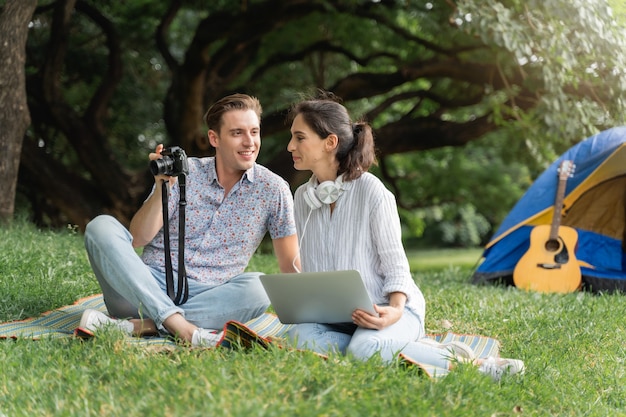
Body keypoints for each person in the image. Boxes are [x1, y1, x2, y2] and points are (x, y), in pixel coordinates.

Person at [284, 91, 524, 380]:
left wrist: (395, 311)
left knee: (363, 351)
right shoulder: (303, 198)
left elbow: (396, 266)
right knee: (297, 337)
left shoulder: (371, 192)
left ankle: (477, 366)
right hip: (338, 319)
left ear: (329, 142)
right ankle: (399, 348)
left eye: (299, 137)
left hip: (392, 310)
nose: (290, 146)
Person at [80, 93, 299, 347]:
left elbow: (290, 265)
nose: (249, 142)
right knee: (100, 227)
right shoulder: (185, 172)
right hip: (142, 289)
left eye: (254, 132)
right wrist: (163, 187)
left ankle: (141, 326)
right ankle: (182, 329)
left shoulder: (274, 189)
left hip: (212, 297)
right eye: (237, 133)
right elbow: (138, 238)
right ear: (214, 138)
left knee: (261, 286)